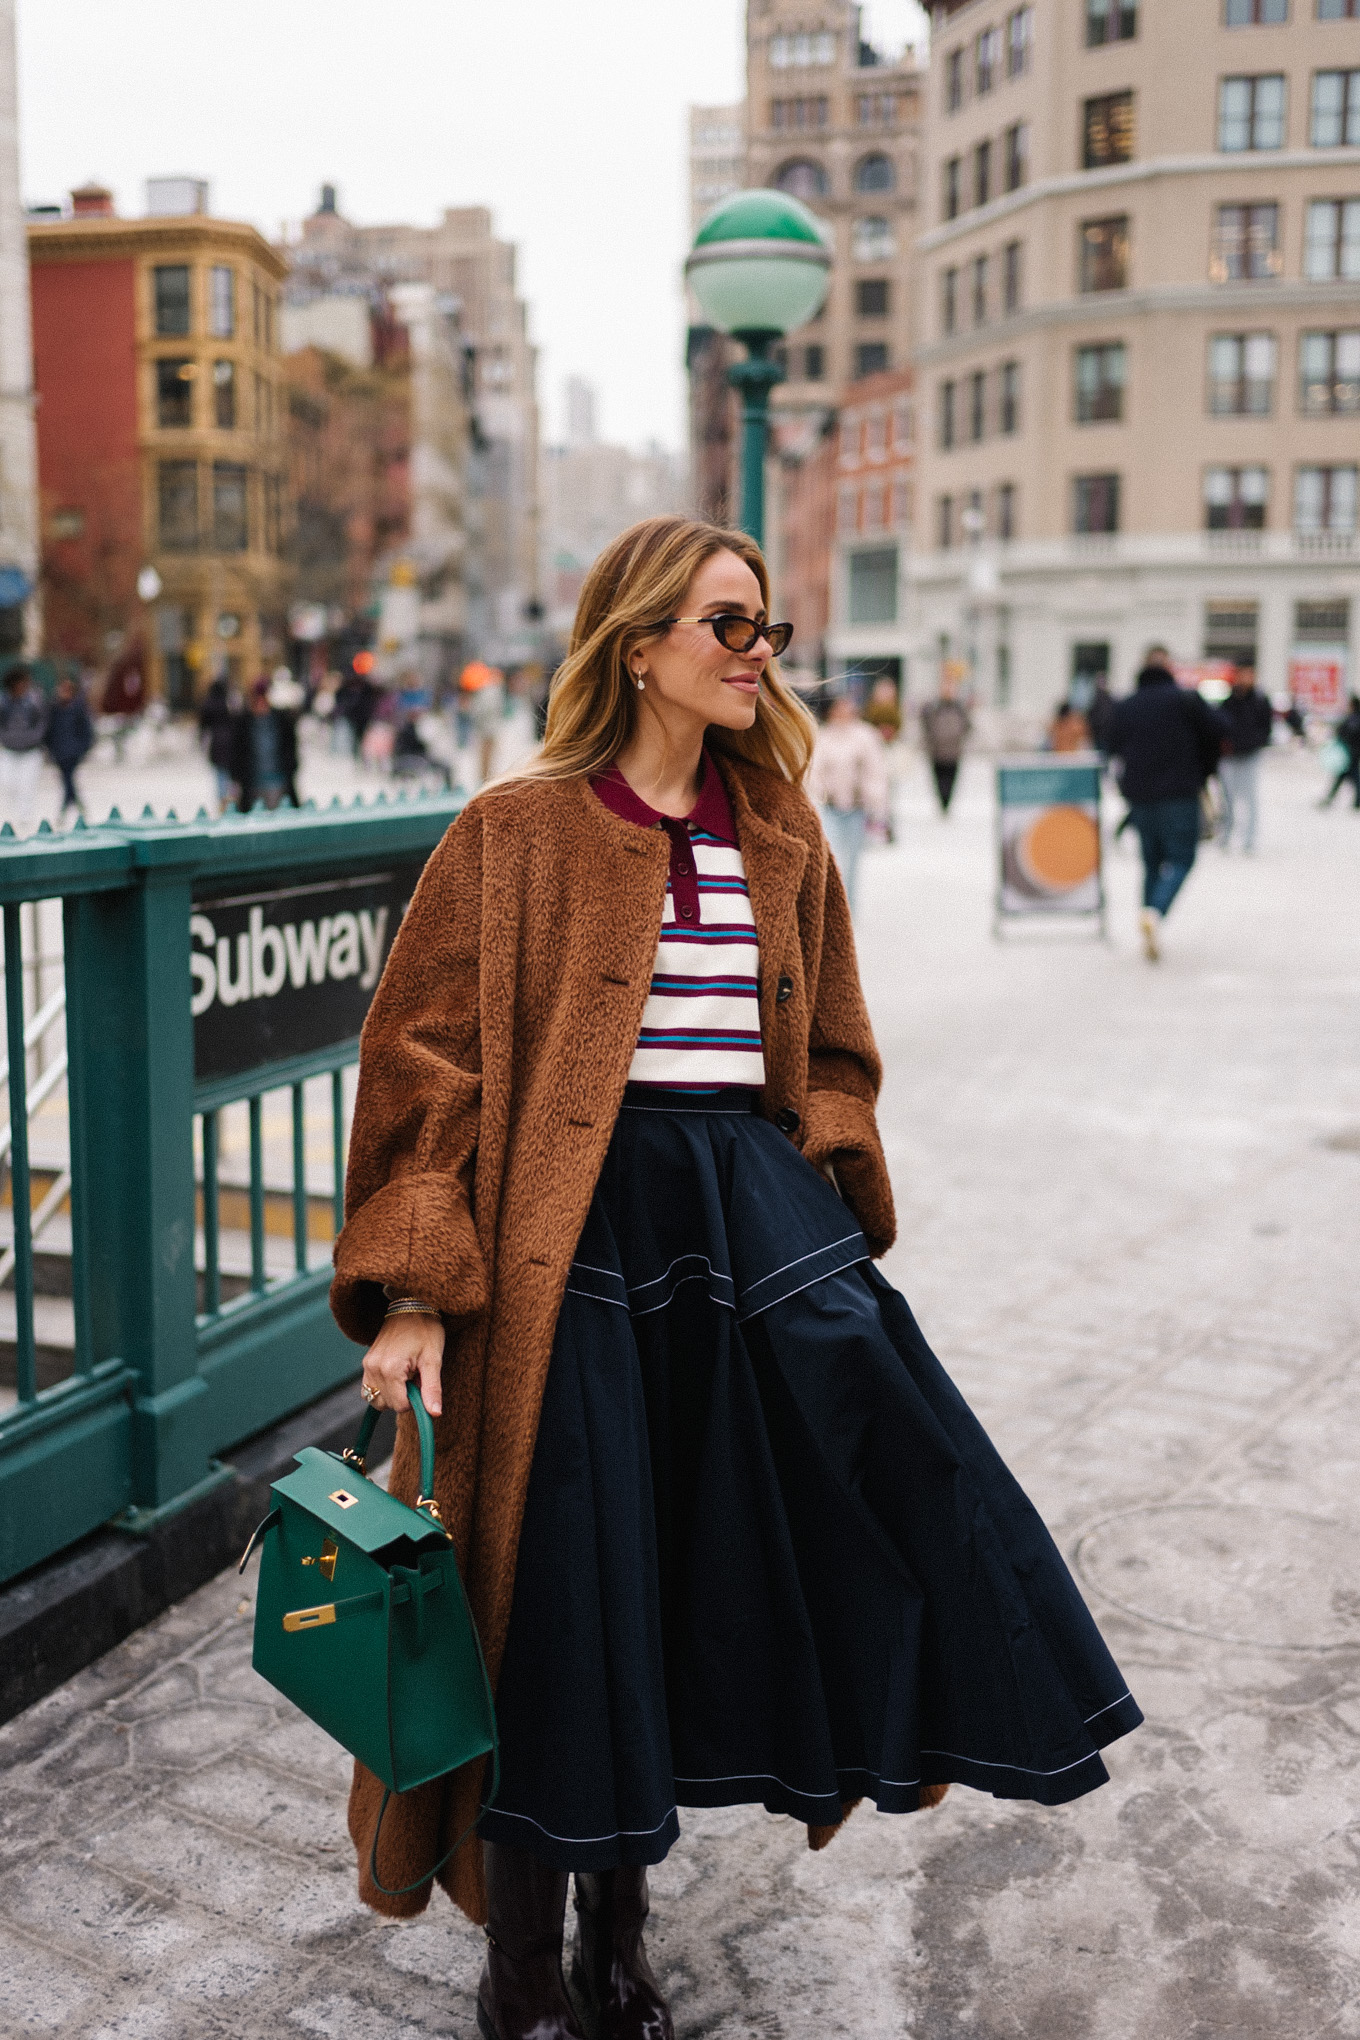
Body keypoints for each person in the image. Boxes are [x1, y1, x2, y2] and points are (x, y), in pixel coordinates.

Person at [333, 516, 1141, 2040]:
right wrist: (420, 1291)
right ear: (638, 643)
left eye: (766, 626)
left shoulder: (780, 832)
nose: (758, 651)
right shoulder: (514, 833)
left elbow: (834, 1050)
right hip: (565, 1247)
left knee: (718, 1567)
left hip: (744, 1249)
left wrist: (823, 1200)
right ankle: (523, 1966)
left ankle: (619, 1939)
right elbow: (423, 1071)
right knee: (557, 1603)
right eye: (729, 623)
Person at [1107, 646, 1222, 961]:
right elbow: (1217, 730)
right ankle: (1155, 912)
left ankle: (1148, 915)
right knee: (1183, 858)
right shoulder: (1186, 700)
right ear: (1168, 668)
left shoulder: (1127, 705)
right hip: (1180, 791)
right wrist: (1204, 769)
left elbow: (1109, 743)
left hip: (1141, 795)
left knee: (1151, 861)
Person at [808, 689, 891, 913]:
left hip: (857, 808)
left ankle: (848, 908)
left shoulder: (865, 735)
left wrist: (877, 804)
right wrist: (819, 795)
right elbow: (814, 771)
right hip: (831, 807)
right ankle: (831, 905)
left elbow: (875, 771)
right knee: (831, 858)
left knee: (853, 861)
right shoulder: (822, 736)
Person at [1214, 665, 1273, 851]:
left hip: (1249, 754)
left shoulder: (1260, 700)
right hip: (1230, 755)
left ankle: (1249, 839)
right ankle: (1226, 834)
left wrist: (1256, 742)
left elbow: (1266, 727)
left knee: (1249, 799)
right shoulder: (1230, 699)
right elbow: (1220, 723)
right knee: (1228, 797)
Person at [228, 677, 298, 812]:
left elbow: (289, 747)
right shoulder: (244, 722)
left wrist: (290, 767)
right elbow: (237, 752)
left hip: (277, 780)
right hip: (253, 782)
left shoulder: (280, 720)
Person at [0, 665, 49, 831]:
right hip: (9, 751)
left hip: (30, 751)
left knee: (27, 785)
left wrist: (33, 738)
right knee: (8, 783)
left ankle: (25, 820)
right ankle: (11, 818)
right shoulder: (3, 702)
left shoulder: (34, 701)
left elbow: (42, 723)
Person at [44, 673, 94, 821]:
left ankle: (66, 809)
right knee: (68, 779)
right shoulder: (53, 708)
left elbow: (87, 731)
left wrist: (82, 748)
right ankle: (76, 805)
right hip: (59, 751)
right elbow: (48, 731)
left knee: (67, 778)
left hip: (73, 751)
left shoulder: (79, 708)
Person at [919, 673, 971, 815]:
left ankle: (947, 804)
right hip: (937, 750)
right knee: (939, 780)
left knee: (951, 780)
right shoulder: (934, 707)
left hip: (954, 751)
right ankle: (942, 804)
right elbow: (925, 722)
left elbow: (967, 725)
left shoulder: (959, 708)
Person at [458, 659, 506, 787]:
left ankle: (485, 784)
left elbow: (482, 711)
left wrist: (469, 708)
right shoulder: (493, 689)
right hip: (489, 729)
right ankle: (486, 782)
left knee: (485, 761)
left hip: (487, 731)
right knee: (488, 761)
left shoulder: (487, 691)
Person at [197, 675, 237, 811]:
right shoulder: (228, 704)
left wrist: (202, 742)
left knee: (220, 775)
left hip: (217, 744)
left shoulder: (208, 704)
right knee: (230, 775)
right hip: (230, 743)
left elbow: (203, 727)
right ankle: (231, 802)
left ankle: (223, 803)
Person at [1321, 695, 1360, 810]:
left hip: (1350, 752)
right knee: (1343, 776)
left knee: (1351, 776)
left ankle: (1331, 799)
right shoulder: (1354, 718)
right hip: (1351, 752)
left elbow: (1346, 733)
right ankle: (1330, 798)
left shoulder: (1354, 719)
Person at [862, 675, 902, 744]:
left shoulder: (898, 711)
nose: (886, 694)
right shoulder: (868, 711)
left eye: (888, 690)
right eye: (883, 690)